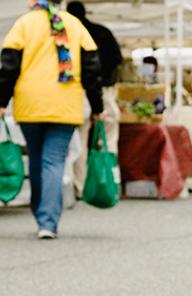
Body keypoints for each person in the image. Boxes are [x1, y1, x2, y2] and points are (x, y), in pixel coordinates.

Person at [0, 0, 103, 240]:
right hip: (65, 104)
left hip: (30, 103)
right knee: (53, 161)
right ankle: (48, 221)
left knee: (36, 158)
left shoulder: (23, 24)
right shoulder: (75, 25)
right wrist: (98, 107)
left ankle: (40, 213)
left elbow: (9, 66)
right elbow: (92, 70)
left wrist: (1, 101)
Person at [67, 1, 123, 200]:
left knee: (80, 137)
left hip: (77, 90)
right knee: (108, 135)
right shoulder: (101, 32)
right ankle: (108, 180)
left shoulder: (67, 33)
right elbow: (117, 58)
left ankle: (80, 186)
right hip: (104, 89)